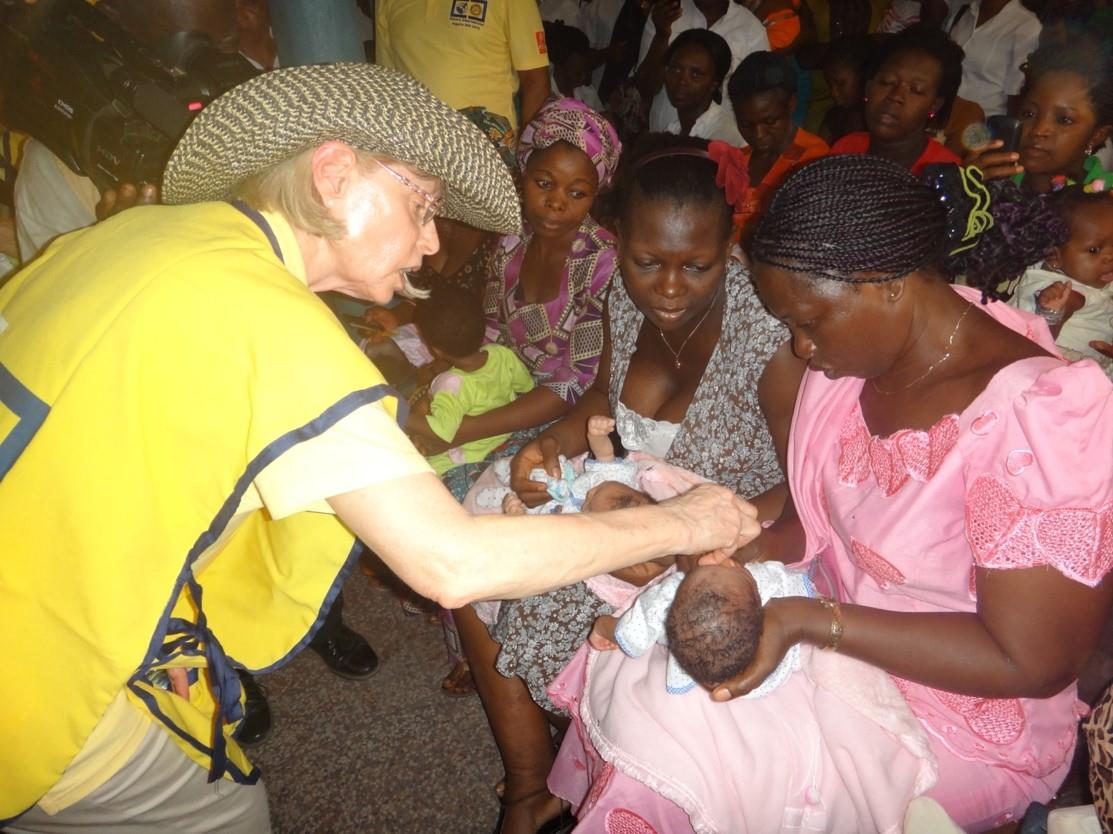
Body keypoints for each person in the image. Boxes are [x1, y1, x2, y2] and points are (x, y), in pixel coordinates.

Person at [0, 63, 759, 832]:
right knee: (224, 815)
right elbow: (453, 562)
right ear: (333, 175)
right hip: (38, 679)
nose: (432, 242)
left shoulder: (133, 231)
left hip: (51, 601)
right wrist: (688, 522)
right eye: (421, 204)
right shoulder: (272, 319)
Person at [549, 153, 1113, 833]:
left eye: (808, 322)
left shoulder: (1042, 416)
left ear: (885, 285)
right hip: (824, 615)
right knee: (648, 687)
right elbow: (806, 518)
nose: (800, 349)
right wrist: (698, 572)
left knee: (701, 757)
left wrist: (810, 623)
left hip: (960, 709)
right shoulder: (853, 365)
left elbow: (1031, 659)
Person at [455, 141, 791, 834]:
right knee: (475, 544)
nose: (668, 288)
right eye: (646, 262)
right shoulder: (622, 298)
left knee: (555, 599)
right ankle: (529, 780)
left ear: (729, 248)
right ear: (618, 245)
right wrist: (549, 447)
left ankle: (570, 769)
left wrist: (694, 543)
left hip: (723, 540)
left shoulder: (768, 334)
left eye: (696, 266)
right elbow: (598, 406)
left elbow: (802, 484)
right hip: (626, 495)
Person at [589, 558, 816, 695]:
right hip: (777, 669)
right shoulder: (762, 583)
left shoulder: (664, 601)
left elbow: (632, 634)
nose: (726, 561)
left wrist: (603, 625)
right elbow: (788, 578)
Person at [407, 286, 536, 475]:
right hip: (503, 438)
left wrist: (400, 415)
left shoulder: (448, 384)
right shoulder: (501, 354)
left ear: (436, 350)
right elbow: (527, 387)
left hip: (460, 458)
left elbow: (442, 431)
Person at [375, 0, 550, 135]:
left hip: (487, 144)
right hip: (416, 146)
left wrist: (527, 155)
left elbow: (535, 80)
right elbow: (387, 82)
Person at [710, 50, 829, 239]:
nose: (758, 134)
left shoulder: (813, 159)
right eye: (746, 124)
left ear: (791, 105)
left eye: (769, 121)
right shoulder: (738, 159)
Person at [966, 44, 1113, 195]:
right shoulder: (994, 180)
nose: (1038, 130)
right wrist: (965, 192)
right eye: (1029, 114)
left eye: (1064, 120)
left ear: (1097, 135)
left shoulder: (1106, 199)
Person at [830, 24, 963, 175]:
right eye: (887, 82)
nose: (895, 96)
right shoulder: (846, 149)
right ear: (868, 87)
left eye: (916, 90)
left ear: (934, 105)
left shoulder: (946, 175)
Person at [1008, 187, 1113, 374]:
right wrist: (1052, 314)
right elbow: (1041, 336)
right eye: (1094, 250)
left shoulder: (1081, 273)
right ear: (1054, 256)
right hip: (1063, 365)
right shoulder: (1067, 292)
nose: (1110, 257)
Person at [635, 0, 770, 133]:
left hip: (723, 145)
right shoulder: (666, 13)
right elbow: (646, 87)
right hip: (664, 140)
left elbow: (762, 101)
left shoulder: (752, 30)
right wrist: (661, 36)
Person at [944, 0, 1042, 118]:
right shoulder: (965, 12)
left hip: (983, 121)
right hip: (944, 112)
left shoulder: (1026, 25)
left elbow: (1016, 93)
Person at [661, 29, 744, 144]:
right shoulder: (672, 131)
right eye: (676, 69)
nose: (682, 81)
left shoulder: (726, 138)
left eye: (695, 74)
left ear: (715, 83)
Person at [818, 33, 872, 144]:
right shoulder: (834, 118)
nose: (833, 93)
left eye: (840, 84)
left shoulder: (876, 120)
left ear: (863, 76)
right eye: (829, 84)